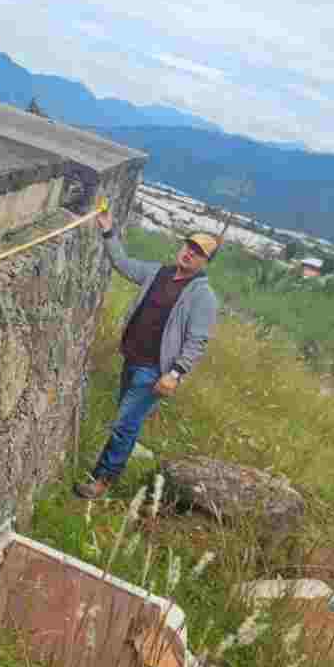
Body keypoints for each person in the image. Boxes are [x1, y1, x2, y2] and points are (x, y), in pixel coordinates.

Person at [74, 207, 220, 500]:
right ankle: (105, 471)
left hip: (155, 370)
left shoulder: (202, 296)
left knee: (124, 423)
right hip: (132, 358)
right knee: (128, 422)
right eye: (188, 246)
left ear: (205, 262)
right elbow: (123, 263)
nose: (189, 253)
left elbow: (197, 341)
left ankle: (103, 480)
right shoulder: (158, 272)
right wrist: (107, 230)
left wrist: (175, 374)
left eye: (198, 252)